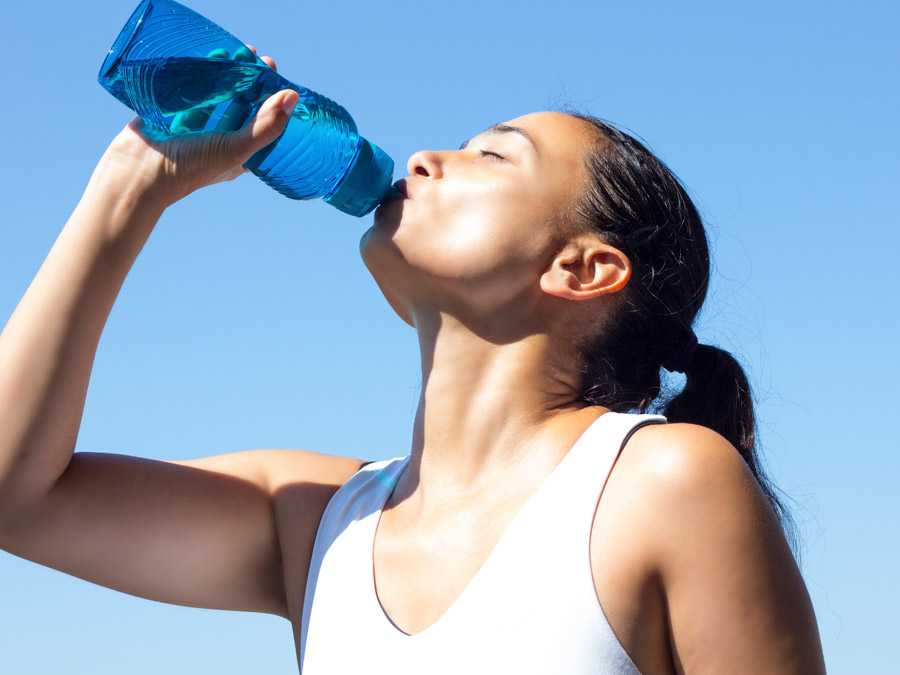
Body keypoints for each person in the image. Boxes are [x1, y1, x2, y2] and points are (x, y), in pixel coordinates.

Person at [0, 50, 825, 673]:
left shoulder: (662, 481)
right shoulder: (319, 520)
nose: (428, 158)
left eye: (493, 156)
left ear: (582, 269)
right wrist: (129, 183)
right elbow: (16, 496)